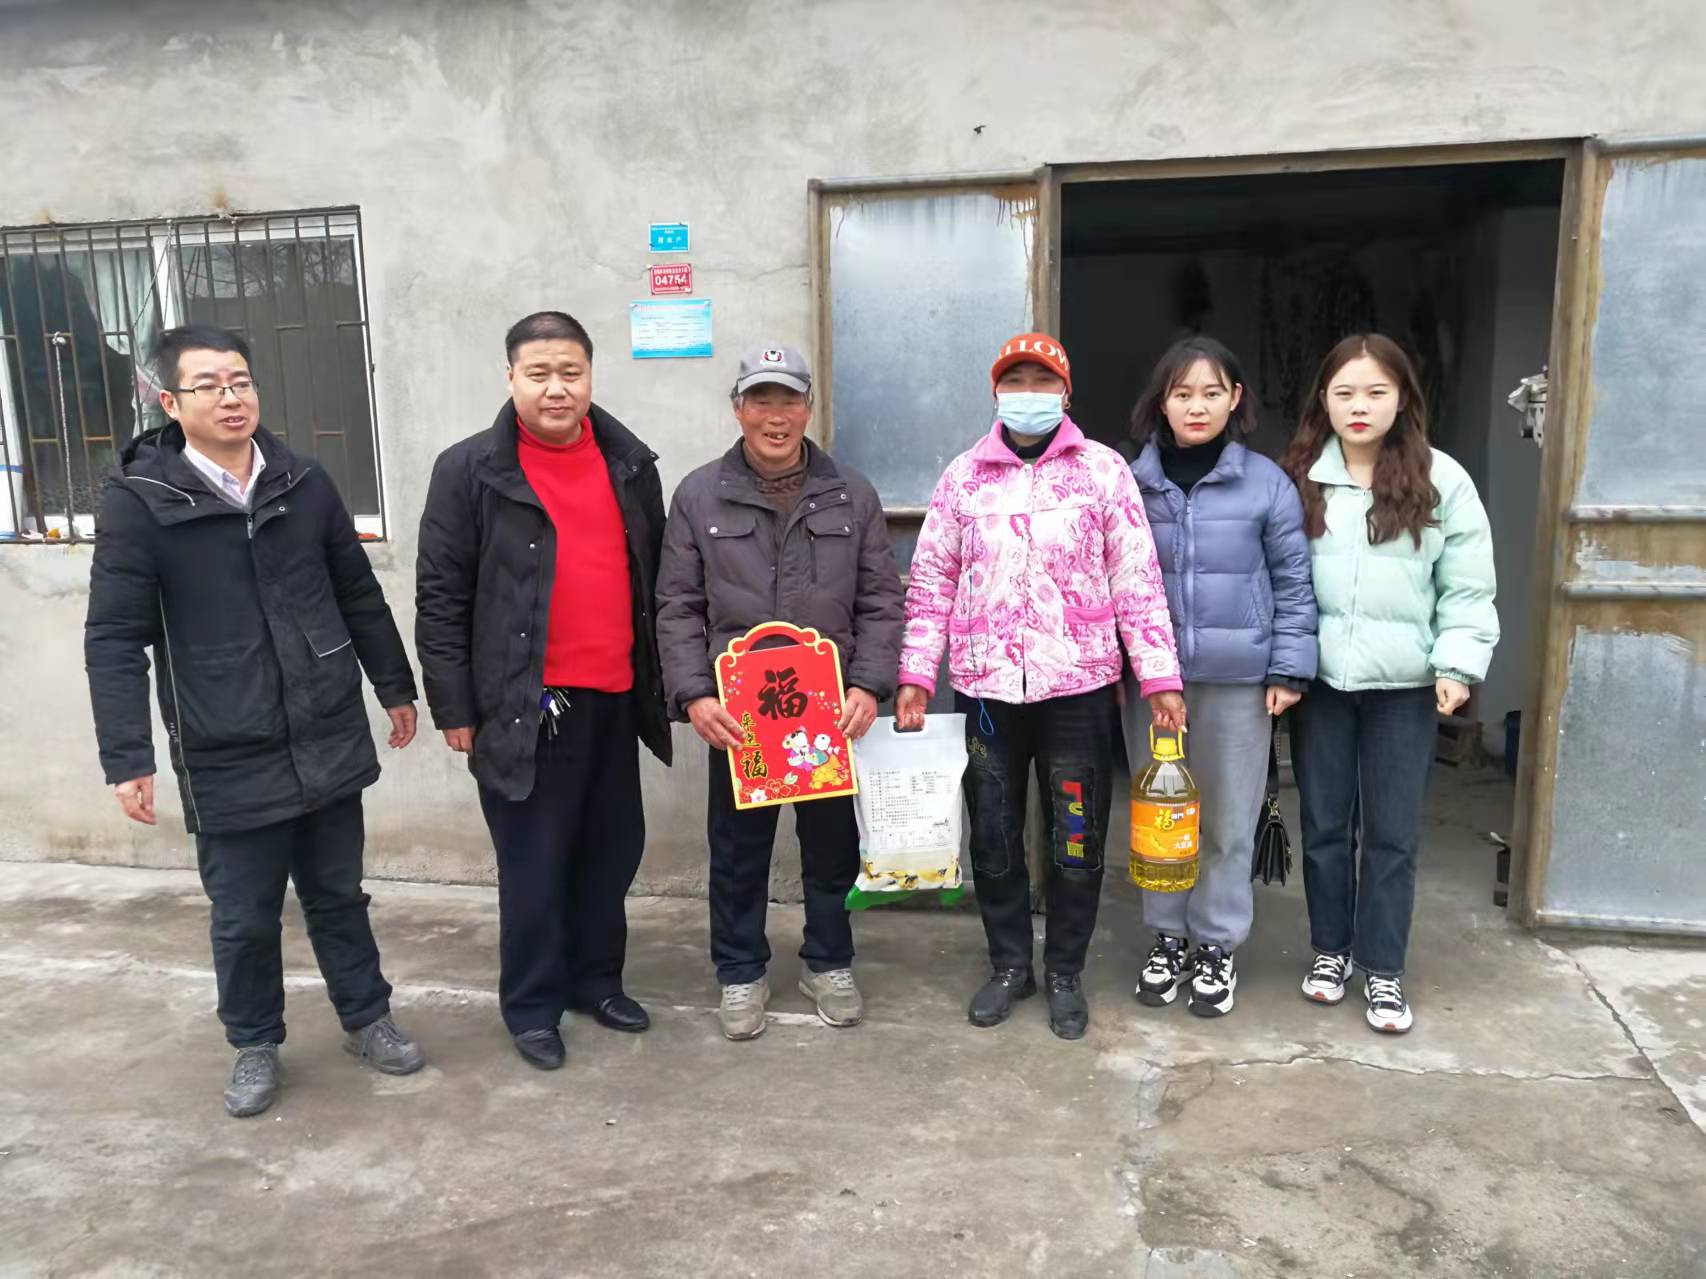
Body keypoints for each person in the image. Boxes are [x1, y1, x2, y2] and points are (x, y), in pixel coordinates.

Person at [85, 324, 425, 1119]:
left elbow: (356, 590)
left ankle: (367, 1018)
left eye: (240, 381)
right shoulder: (142, 503)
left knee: (339, 894)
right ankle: (254, 1042)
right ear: (170, 402)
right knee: (244, 917)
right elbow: (114, 637)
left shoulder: (302, 482)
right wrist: (127, 756)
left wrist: (393, 684)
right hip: (224, 745)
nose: (231, 397)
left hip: (324, 725)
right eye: (208, 385)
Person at [895, 333, 1184, 1041]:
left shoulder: (1102, 472)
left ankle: (1063, 971)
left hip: (1078, 687)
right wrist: (916, 672)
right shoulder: (964, 477)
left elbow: (1136, 579)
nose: (1029, 392)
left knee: (1076, 837)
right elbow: (932, 580)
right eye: (1016, 380)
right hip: (987, 689)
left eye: (1042, 380)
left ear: (1065, 392)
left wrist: (1159, 675)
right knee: (994, 832)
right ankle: (1008, 964)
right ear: (997, 392)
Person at [415, 311, 673, 1071]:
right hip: (523, 705)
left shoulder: (629, 464)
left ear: (590, 376)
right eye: (539, 374)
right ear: (510, 378)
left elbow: (655, 578)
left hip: (614, 696)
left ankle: (597, 981)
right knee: (534, 863)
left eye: (570, 373)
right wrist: (454, 705)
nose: (556, 388)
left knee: (610, 850)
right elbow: (441, 596)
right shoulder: (469, 469)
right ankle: (532, 1004)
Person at [656, 344, 903, 1041]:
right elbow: (677, 606)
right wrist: (695, 694)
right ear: (738, 409)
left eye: (789, 399)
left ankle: (829, 961)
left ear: (808, 408)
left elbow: (882, 600)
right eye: (760, 400)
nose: (775, 415)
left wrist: (869, 684)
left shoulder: (851, 494)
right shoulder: (699, 495)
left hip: (828, 707)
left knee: (831, 845)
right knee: (738, 849)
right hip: (740, 712)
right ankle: (740, 970)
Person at [1280, 333, 1498, 1034]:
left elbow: (1467, 586)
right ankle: (1330, 950)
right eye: (1344, 392)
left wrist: (1456, 664)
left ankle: (1383, 967)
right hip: (1320, 685)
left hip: (1405, 688)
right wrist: (1281, 664)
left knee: (1392, 833)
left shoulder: (1442, 480)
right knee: (1323, 826)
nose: (1360, 406)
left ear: (1402, 398)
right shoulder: (1299, 479)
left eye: (1376, 392)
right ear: (1324, 400)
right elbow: (1275, 580)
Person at [1121, 336, 1317, 1018]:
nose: (1196, 406)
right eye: (1182, 394)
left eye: (1211, 392)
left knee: (1229, 821)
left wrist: (1288, 667)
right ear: (1162, 403)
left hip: (1238, 682)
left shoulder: (1266, 483)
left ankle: (1215, 943)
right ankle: (1166, 937)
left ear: (1235, 398)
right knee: (1160, 815)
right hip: (1152, 684)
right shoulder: (1129, 483)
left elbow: (1294, 582)